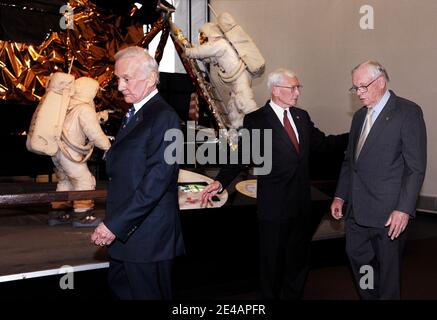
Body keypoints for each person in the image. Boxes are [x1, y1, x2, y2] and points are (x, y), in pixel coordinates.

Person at [201, 68, 346, 299]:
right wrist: (220, 182)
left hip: (300, 204)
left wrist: (355, 134)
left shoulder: (302, 116)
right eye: (293, 88)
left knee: (298, 260)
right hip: (274, 207)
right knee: (271, 261)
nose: (297, 93)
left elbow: (323, 144)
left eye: (299, 87)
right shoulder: (257, 119)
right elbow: (242, 156)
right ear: (276, 90)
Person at [90, 46, 184, 300]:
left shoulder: (165, 118)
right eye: (118, 79)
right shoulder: (134, 114)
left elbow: (157, 181)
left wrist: (114, 225)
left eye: (126, 79)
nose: (120, 87)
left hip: (147, 240)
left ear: (151, 79)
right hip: (128, 237)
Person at [331, 60, 427, 300]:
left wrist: (403, 209)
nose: (359, 93)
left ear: (381, 81)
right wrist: (340, 195)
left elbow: (415, 168)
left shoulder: (407, 112)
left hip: (389, 214)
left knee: (387, 273)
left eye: (363, 87)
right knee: (358, 260)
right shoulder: (359, 117)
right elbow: (350, 162)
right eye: (355, 88)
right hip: (357, 211)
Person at [49, 77, 111, 228]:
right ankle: (82, 215)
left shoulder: (67, 107)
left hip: (57, 153)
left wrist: (98, 117)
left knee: (66, 181)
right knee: (85, 180)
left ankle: (58, 214)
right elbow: (94, 133)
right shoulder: (84, 109)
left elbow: (77, 122)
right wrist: (108, 147)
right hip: (69, 154)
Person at [185, 22, 259, 129]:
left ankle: (260, 125)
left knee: (245, 102)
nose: (202, 39)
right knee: (233, 106)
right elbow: (208, 57)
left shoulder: (221, 44)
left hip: (240, 78)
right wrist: (194, 51)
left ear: (210, 33)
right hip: (236, 80)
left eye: (203, 35)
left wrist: (188, 51)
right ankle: (237, 126)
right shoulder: (220, 47)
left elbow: (203, 51)